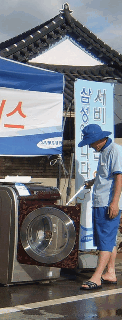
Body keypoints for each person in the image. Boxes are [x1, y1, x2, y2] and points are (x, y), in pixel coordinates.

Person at [78, 124, 122, 291]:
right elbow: (106, 176)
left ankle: (96, 277)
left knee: (105, 240)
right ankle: (110, 272)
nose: (90, 146)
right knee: (108, 239)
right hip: (101, 201)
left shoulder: (115, 151)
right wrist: (92, 182)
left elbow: (119, 177)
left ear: (99, 140)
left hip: (107, 203)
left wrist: (115, 202)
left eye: (90, 142)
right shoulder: (104, 152)